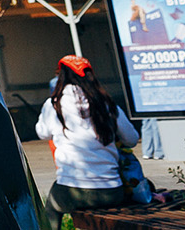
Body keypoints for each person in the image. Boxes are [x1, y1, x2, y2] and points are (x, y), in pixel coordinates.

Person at [35, 55, 141, 217]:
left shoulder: (54, 104)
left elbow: (42, 133)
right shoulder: (106, 104)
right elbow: (132, 139)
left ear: (61, 76)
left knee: (50, 209)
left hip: (71, 190)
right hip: (112, 191)